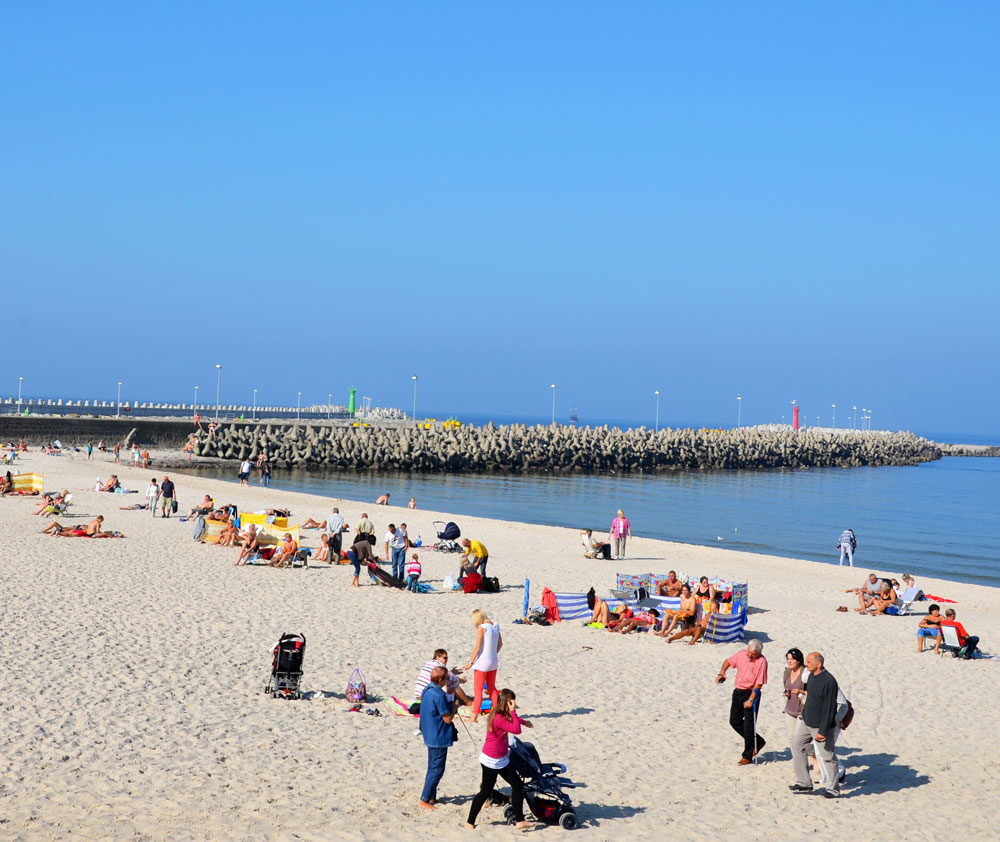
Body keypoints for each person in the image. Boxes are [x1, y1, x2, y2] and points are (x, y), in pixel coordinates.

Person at [465, 688, 534, 830]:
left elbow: (513, 722)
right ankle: (469, 822)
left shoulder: (499, 713)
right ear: (506, 703)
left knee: (517, 785)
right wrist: (514, 712)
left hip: (501, 758)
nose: (513, 705)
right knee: (485, 792)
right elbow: (516, 730)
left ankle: (520, 820)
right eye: (511, 702)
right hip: (491, 760)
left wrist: (523, 721)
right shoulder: (498, 718)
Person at [789, 652, 841, 797]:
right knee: (796, 745)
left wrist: (823, 731)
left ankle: (833, 789)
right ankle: (804, 783)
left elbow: (830, 708)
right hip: (807, 721)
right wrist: (802, 692)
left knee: (828, 757)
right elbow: (813, 696)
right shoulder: (811, 676)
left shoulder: (829, 681)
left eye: (810, 661)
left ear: (819, 664)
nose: (806, 664)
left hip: (821, 726)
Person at [716, 639, 768, 766]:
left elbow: (759, 683)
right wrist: (722, 672)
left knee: (749, 725)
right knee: (734, 721)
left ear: (759, 652)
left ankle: (747, 755)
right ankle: (759, 741)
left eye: (753, 654)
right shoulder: (741, 654)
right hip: (738, 691)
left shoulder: (762, 661)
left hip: (751, 693)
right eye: (749, 653)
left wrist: (751, 699)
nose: (750, 656)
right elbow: (728, 661)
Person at [418, 666, 456, 810]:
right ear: (440, 679)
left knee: (433, 766)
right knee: (437, 769)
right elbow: (447, 719)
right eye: (446, 679)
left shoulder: (427, 689)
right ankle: (424, 799)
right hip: (438, 736)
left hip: (429, 733)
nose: (447, 681)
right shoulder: (438, 695)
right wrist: (454, 705)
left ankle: (431, 796)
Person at [462, 609, 502, 723]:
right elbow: (500, 644)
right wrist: (493, 655)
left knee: (478, 690)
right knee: (492, 688)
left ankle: (474, 717)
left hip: (482, 663)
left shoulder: (482, 627)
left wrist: (470, 663)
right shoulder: (496, 625)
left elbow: (477, 647)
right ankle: (498, 713)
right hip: (493, 661)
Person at [782, 648, 807, 748]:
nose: (789, 661)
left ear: (799, 660)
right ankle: (797, 763)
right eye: (788, 659)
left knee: (799, 741)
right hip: (789, 709)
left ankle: (802, 762)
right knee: (791, 739)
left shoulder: (805, 674)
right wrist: (785, 692)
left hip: (802, 711)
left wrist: (801, 692)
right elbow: (785, 687)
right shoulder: (787, 672)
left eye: (792, 659)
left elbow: (812, 692)